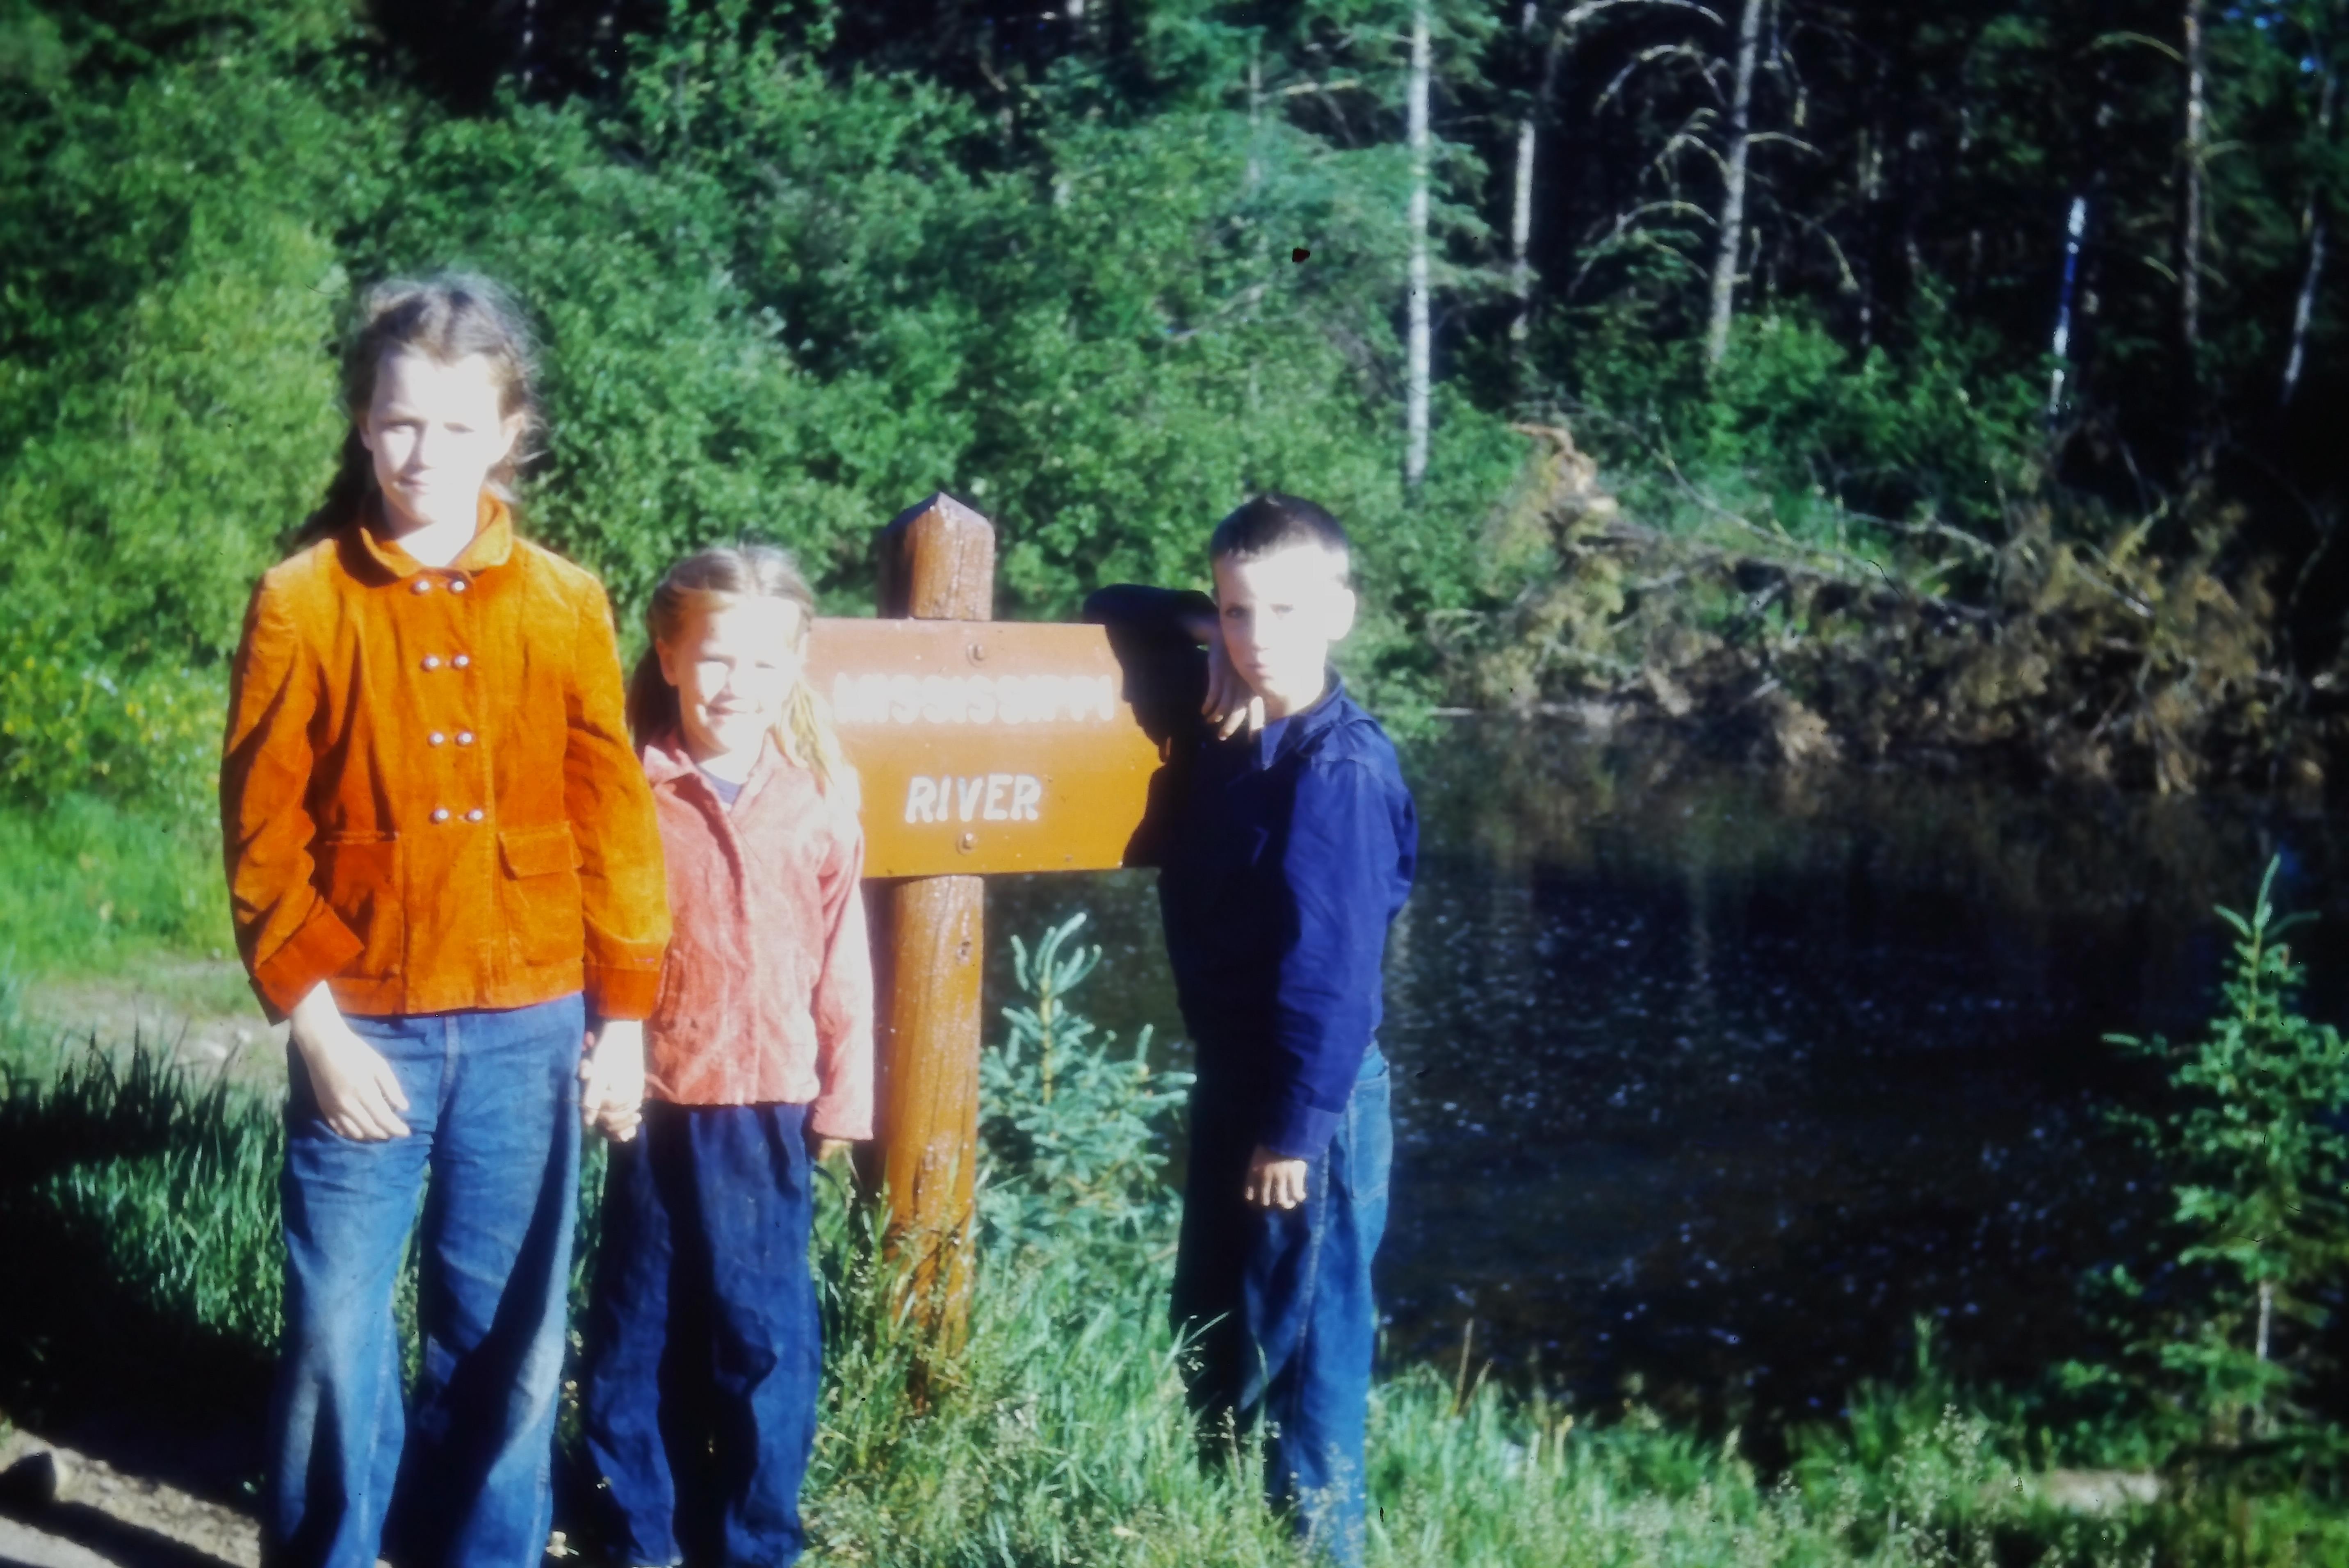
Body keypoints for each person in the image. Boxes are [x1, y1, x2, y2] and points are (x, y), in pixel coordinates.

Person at [219, 275, 670, 1568]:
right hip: (363, 1036)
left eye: (459, 428)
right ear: (365, 423)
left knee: (510, 1346)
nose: (428, 454)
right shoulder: (303, 599)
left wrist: (624, 1023)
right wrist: (315, 1029)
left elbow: (615, 821)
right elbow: (262, 837)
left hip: (533, 1028)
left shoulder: (565, 601)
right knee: (332, 1339)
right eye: (402, 423)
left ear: (509, 433)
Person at [1085, 495, 1417, 1567]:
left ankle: (1323, 1551)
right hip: (1239, 1085)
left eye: (1284, 609)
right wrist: (1203, 636)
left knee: (1307, 1372)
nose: (1257, 634)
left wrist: (1295, 1129)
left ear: (1341, 614)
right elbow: (1111, 603)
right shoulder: (1239, 724)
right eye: (1237, 609)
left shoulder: (1340, 772)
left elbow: (1332, 980)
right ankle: (1228, 1543)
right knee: (1219, 1344)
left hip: (1304, 1107)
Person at [581, 544, 874, 1568]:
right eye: (712, 660)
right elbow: (589, 938)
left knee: (762, 1345)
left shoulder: (818, 798)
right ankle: (639, 1540)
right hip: (651, 1104)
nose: (733, 686)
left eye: (759, 664)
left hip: (770, 1111)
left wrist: (847, 1095)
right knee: (635, 1335)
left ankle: (754, 1543)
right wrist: (596, 1057)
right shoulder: (627, 785)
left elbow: (844, 956)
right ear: (666, 654)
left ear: (794, 664)